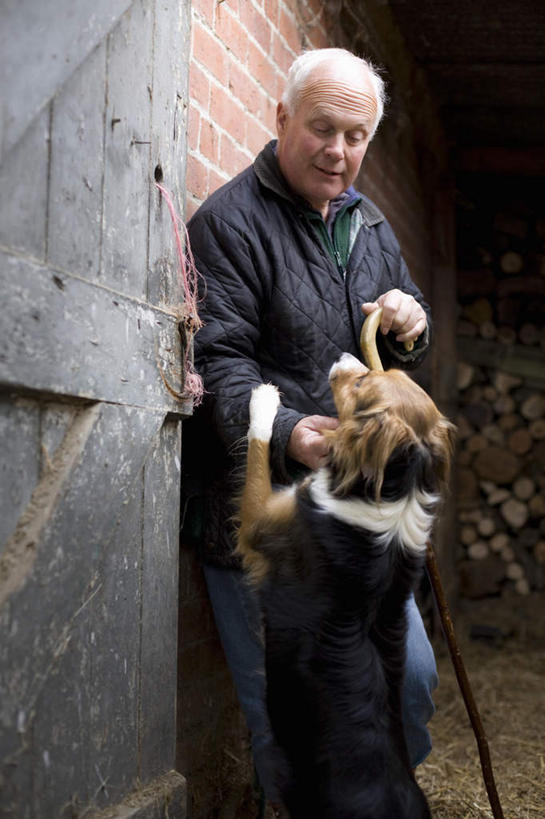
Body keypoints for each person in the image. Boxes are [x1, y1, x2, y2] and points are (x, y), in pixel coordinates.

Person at [183, 47, 437, 811]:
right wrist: (289, 430)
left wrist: (411, 323)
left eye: (354, 136)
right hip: (268, 520)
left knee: (409, 683)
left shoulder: (368, 222)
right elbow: (217, 363)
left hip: (348, 520)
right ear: (282, 118)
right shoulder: (228, 223)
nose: (337, 151)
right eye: (320, 128)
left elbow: (400, 355)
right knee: (283, 720)